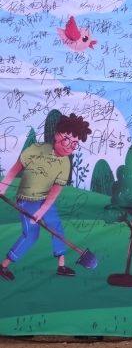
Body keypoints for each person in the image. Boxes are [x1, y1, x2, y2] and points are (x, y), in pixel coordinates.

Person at [0, 113, 92, 281]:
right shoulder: (37, 149)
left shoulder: (65, 163)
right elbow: (15, 168)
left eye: (74, 144)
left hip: (45, 201)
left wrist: (42, 211)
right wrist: (3, 186)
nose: (69, 146)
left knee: (57, 229)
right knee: (31, 234)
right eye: (66, 139)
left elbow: (55, 191)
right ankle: (3, 265)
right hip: (26, 200)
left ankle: (61, 266)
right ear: (57, 135)